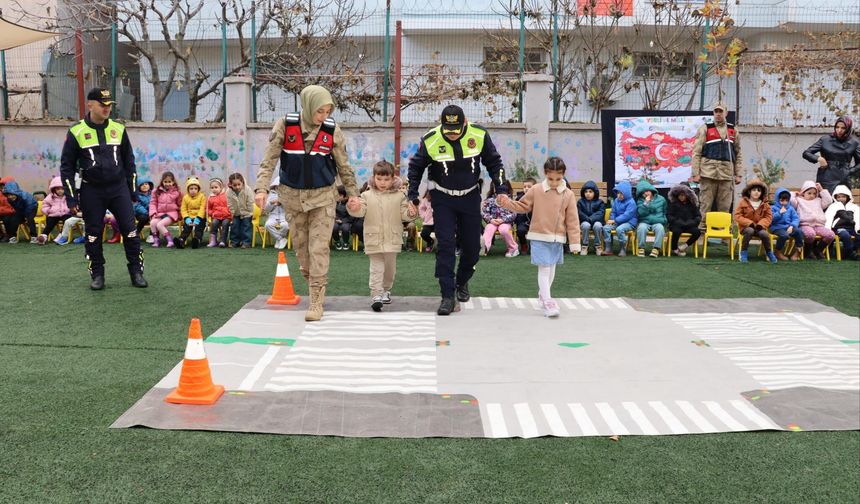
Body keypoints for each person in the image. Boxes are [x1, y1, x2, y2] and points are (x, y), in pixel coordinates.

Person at [254, 85, 360, 322]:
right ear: (308, 106)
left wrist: (354, 194)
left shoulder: (332, 130)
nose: (323, 117)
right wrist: (261, 189)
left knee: (318, 248)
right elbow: (269, 160)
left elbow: (344, 166)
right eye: (319, 111)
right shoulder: (286, 125)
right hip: (292, 198)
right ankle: (312, 284)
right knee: (302, 251)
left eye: (327, 111)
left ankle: (316, 300)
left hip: (323, 198)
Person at [407, 104, 507, 315]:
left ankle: (462, 281)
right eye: (448, 130)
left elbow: (494, 163)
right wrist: (412, 195)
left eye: (456, 130)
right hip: (443, 199)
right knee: (445, 245)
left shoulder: (479, 135)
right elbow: (415, 167)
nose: (452, 135)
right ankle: (447, 295)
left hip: (470, 197)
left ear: (465, 123)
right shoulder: (431, 139)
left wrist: (501, 189)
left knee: (472, 247)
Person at [59, 87, 146, 289]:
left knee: (130, 231)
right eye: (102, 104)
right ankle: (97, 275)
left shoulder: (119, 129)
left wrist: (132, 190)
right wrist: (72, 199)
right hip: (92, 191)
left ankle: (136, 272)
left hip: (118, 189)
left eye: (109, 105)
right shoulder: (76, 132)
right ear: (90, 105)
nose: (107, 108)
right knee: (93, 235)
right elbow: (66, 168)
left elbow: (129, 162)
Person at [497, 157, 581, 318]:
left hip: (557, 238)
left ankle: (543, 296)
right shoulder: (536, 189)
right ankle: (548, 301)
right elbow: (522, 206)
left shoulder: (568, 195)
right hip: (539, 236)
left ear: (563, 175)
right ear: (545, 174)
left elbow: (572, 220)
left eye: (558, 178)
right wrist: (506, 203)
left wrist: (575, 242)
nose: (554, 182)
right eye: (550, 178)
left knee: (552, 269)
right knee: (544, 268)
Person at [347, 161, 417, 311]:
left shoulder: (400, 196)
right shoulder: (365, 195)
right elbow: (360, 211)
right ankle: (376, 294)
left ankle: (386, 290)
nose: (383, 182)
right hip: (373, 237)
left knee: (390, 268)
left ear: (393, 179)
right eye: (379, 179)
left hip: (392, 238)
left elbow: (405, 215)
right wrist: (353, 207)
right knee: (376, 267)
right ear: (374, 177)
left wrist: (411, 213)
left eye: (386, 179)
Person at [691, 102, 743, 230]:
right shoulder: (705, 128)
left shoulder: (733, 130)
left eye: (721, 111)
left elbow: (738, 153)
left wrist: (738, 174)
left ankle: (724, 232)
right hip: (707, 173)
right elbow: (696, 152)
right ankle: (702, 231)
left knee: (725, 206)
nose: (718, 114)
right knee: (705, 204)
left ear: (726, 113)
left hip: (726, 174)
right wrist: (695, 173)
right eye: (716, 111)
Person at [802, 116, 860, 193]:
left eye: (843, 128)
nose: (839, 130)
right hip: (826, 176)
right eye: (837, 127)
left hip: (843, 178)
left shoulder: (854, 143)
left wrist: (849, 171)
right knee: (826, 201)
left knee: (842, 202)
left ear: (848, 129)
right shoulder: (825, 139)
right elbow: (806, 153)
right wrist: (819, 159)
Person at [734, 179, 777, 264]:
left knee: (764, 234)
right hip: (746, 228)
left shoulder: (765, 204)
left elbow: (768, 217)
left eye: (759, 190)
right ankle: (743, 252)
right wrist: (749, 223)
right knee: (750, 231)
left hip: (759, 228)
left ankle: (769, 252)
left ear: (761, 193)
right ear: (749, 191)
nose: (756, 192)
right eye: (754, 190)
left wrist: (761, 224)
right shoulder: (743, 202)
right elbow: (737, 215)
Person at [791, 181, 834, 260]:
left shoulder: (818, 201)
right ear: (803, 192)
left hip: (818, 225)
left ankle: (818, 250)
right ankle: (808, 251)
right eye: (809, 193)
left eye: (814, 193)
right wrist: (793, 194)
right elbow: (791, 202)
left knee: (830, 235)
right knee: (810, 234)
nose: (812, 195)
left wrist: (821, 190)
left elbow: (829, 201)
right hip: (805, 225)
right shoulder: (799, 200)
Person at [480, 182, 518, 257]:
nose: (501, 197)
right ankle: (485, 248)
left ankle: (513, 249)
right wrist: (491, 220)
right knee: (489, 228)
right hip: (493, 222)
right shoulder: (490, 201)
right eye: (499, 195)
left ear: (507, 195)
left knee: (503, 229)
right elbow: (484, 212)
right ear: (496, 194)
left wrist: (503, 220)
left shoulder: (511, 202)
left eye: (503, 195)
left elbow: (514, 214)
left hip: (505, 223)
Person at [601, 181, 637, 256]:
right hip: (617, 222)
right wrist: (612, 220)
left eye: (621, 193)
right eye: (618, 193)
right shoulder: (616, 201)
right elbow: (613, 212)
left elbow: (627, 215)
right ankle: (608, 248)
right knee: (606, 228)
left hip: (629, 223)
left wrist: (614, 220)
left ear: (626, 193)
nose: (619, 195)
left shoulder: (631, 202)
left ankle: (622, 249)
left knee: (619, 229)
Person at [825, 184, 859, 260]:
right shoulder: (833, 206)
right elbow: (828, 217)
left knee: (859, 236)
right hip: (839, 228)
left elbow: (858, 218)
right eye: (838, 197)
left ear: (847, 197)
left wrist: (858, 228)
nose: (841, 199)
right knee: (845, 235)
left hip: (851, 228)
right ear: (835, 197)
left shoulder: (854, 207)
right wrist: (827, 229)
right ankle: (850, 253)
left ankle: (850, 251)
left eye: (843, 196)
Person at [634, 179, 668, 258]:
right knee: (641, 228)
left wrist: (664, 220)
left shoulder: (661, 199)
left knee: (660, 228)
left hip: (658, 221)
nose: (646, 193)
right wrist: (646, 203)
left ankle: (656, 248)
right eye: (643, 192)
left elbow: (665, 211)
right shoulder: (640, 201)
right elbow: (641, 213)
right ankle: (641, 248)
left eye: (647, 191)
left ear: (651, 190)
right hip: (645, 221)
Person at [667, 182, 702, 257]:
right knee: (676, 231)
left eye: (683, 195)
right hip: (677, 225)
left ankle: (685, 245)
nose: (681, 197)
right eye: (680, 195)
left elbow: (698, 216)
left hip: (689, 225)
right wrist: (676, 221)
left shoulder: (692, 204)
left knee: (697, 232)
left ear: (688, 195)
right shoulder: (673, 203)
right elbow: (669, 215)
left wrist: (692, 222)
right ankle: (674, 248)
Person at [149, 171, 182, 248]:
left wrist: (180, 215)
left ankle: (170, 240)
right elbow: (153, 203)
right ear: (162, 182)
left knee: (160, 224)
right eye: (165, 182)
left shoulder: (177, 192)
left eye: (169, 182)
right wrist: (153, 212)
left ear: (173, 182)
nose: (167, 184)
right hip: (160, 213)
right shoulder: (156, 191)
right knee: (153, 223)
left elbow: (180, 204)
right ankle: (156, 240)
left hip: (172, 214)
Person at [769, 187, 804, 261]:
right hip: (777, 228)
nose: (784, 202)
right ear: (777, 199)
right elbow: (770, 219)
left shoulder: (790, 208)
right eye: (782, 200)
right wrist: (779, 213)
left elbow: (796, 218)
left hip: (788, 227)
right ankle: (778, 251)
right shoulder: (773, 208)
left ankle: (798, 251)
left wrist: (792, 226)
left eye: (786, 200)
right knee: (784, 235)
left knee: (799, 231)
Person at [36, 176, 73, 244]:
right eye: (58, 189)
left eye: (62, 189)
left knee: (66, 222)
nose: (60, 191)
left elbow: (73, 204)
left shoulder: (68, 196)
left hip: (66, 213)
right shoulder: (51, 197)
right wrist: (48, 211)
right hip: (54, 214)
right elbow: (45, 205)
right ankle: (43, 236)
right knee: (50, 223)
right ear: (54, 189)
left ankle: (62, 235)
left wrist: (70, 210)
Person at [175, 176, 207, 249]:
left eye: (195, 188)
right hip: (189, 217)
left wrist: (198, 219)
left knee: (199, 228)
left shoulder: (202, 197)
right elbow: (183, 209)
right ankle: (181, 240)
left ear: (198, 189)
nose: (193, 190)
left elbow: (202, 208)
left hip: (200, 217)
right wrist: (187, 219)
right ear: (188, 189)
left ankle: (197, 240)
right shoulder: (185, 197)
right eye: (191, 188)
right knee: (186, 228)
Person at [577, 180, 605, 256]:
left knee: (598, 226)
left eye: (590, 191)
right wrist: (587, 218)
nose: (588, 194)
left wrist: (591, 219)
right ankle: (585, 245)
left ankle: (597, 246)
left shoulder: (600, 202)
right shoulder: (580, 202)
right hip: (584, 221)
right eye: (586, 192)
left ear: (595, 192)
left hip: (597, 221)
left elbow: (600, 213)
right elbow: (579, 213)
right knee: (586, 225)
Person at [227, 172, 254, 249]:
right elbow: (229, 204)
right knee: (234, 226)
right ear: (231, 184)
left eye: (239, 184)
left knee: (246, 226)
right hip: (235, 213)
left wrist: (249, 212)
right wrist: (232, 213)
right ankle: (234, 242)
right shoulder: (229, 192)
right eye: (234, 185)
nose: (237, 187)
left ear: (242, 183)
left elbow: (250, 202)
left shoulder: (247, 190)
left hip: (247, 213)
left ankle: (246, 242)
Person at [264, 176, 290, 250]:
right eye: (277, 186)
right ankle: (281, 239)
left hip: (284, 216)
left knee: (285, 225)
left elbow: (291, 207)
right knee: (268, 225)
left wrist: (282, 203)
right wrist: (271, 203)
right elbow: (267, 210)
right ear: (274, 187)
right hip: (273, 216)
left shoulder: (288, 195)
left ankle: (279, 239)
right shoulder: (271, 195)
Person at [206, 178, 231, 248]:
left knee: (225, 224)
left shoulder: (226, 195)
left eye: (216, 187)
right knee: (214, 223)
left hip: (226, 216)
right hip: (216, 216)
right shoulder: (210, 198)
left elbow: (230, 206)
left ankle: (222, 241)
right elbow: (208, 209)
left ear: (221, 187)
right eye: (212, 188)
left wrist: (229, 214)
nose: (214, 189)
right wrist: (212, 213)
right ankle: (213, 240)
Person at [514, 178, 535, 254]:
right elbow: (516, 211)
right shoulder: (519, 198)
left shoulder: (538, 198)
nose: (526, 188)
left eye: (529, 187)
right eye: (524, 187)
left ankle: (534, 246)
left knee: (537, 231)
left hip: (535, 223)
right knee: (520, 230)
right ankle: (523, 244)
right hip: (523, 222)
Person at [332, 186, 352, 250]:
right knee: (334, 227)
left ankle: (346, 242)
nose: (338, 197)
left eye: (340, 195)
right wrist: (336, 219)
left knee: (345, 228)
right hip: (336, 220)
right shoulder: (334, 202)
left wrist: (342, 221)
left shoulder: (350, 203)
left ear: (344, 196)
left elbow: (352, 216)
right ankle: (337, 241)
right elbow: (332, 212)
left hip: (346, 221)